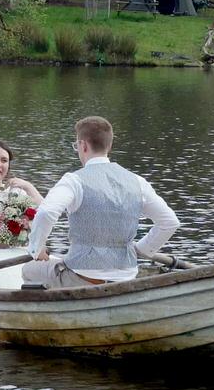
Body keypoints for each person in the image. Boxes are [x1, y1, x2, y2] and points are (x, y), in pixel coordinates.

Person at [25, 115, 179, 288]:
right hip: (127, 275)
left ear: (83, 145)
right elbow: (169, 222)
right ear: (109, 145)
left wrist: (36, 249)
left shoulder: (74, 180)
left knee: (28, 270)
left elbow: (46, 212)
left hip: (82, 275)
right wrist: (140, 251)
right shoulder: (137, 181)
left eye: (77, 146)